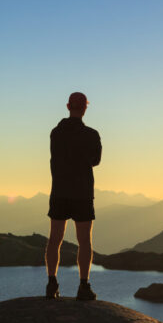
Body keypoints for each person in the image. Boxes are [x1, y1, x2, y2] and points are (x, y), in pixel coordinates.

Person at [45, 92, 101, 300]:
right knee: (84, 241)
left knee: (55, 239)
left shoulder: (55, 133)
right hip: (83, 192)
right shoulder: (92, 135)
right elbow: (95, 161)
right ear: (85, 108)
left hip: (59, 191)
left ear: (68, 106)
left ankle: (52, 284)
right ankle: (83, 286)